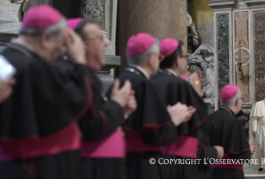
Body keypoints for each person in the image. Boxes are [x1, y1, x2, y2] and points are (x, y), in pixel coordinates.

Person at [0, 5, 131, 179]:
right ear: (46, 38)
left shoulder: (8, 58)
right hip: (36, 167)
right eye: (62, 43)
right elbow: (81, 106)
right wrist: (80, 63)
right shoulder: (35, 68)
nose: (62, 51)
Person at [106, 33, 196, 179]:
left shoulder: (121, 79)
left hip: (122, 160)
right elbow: (154, 137)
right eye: (159, 57)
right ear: (150, 58)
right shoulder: (143, 84)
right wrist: (174, 120)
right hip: (143, 165)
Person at [56, 18, 136, 179]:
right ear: (76, 43)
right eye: (99, 38)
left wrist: (121, 110)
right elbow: (93, 127)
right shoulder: (70, 74)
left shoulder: (76, 73)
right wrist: (116, 105)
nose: (106, 44)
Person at [150, 38, 224, 179]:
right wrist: (194, 90)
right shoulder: (179, 85)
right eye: (185, 57)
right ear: (178, 60)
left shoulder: (149, 81)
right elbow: (199, 116)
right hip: (180, 160)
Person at [203, 85, 253, 179]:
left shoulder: (209, 118)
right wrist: (249, 148)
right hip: (229, 174)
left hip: (211, 173)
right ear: (237, 102)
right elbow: (242, 157)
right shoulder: (233, 122)